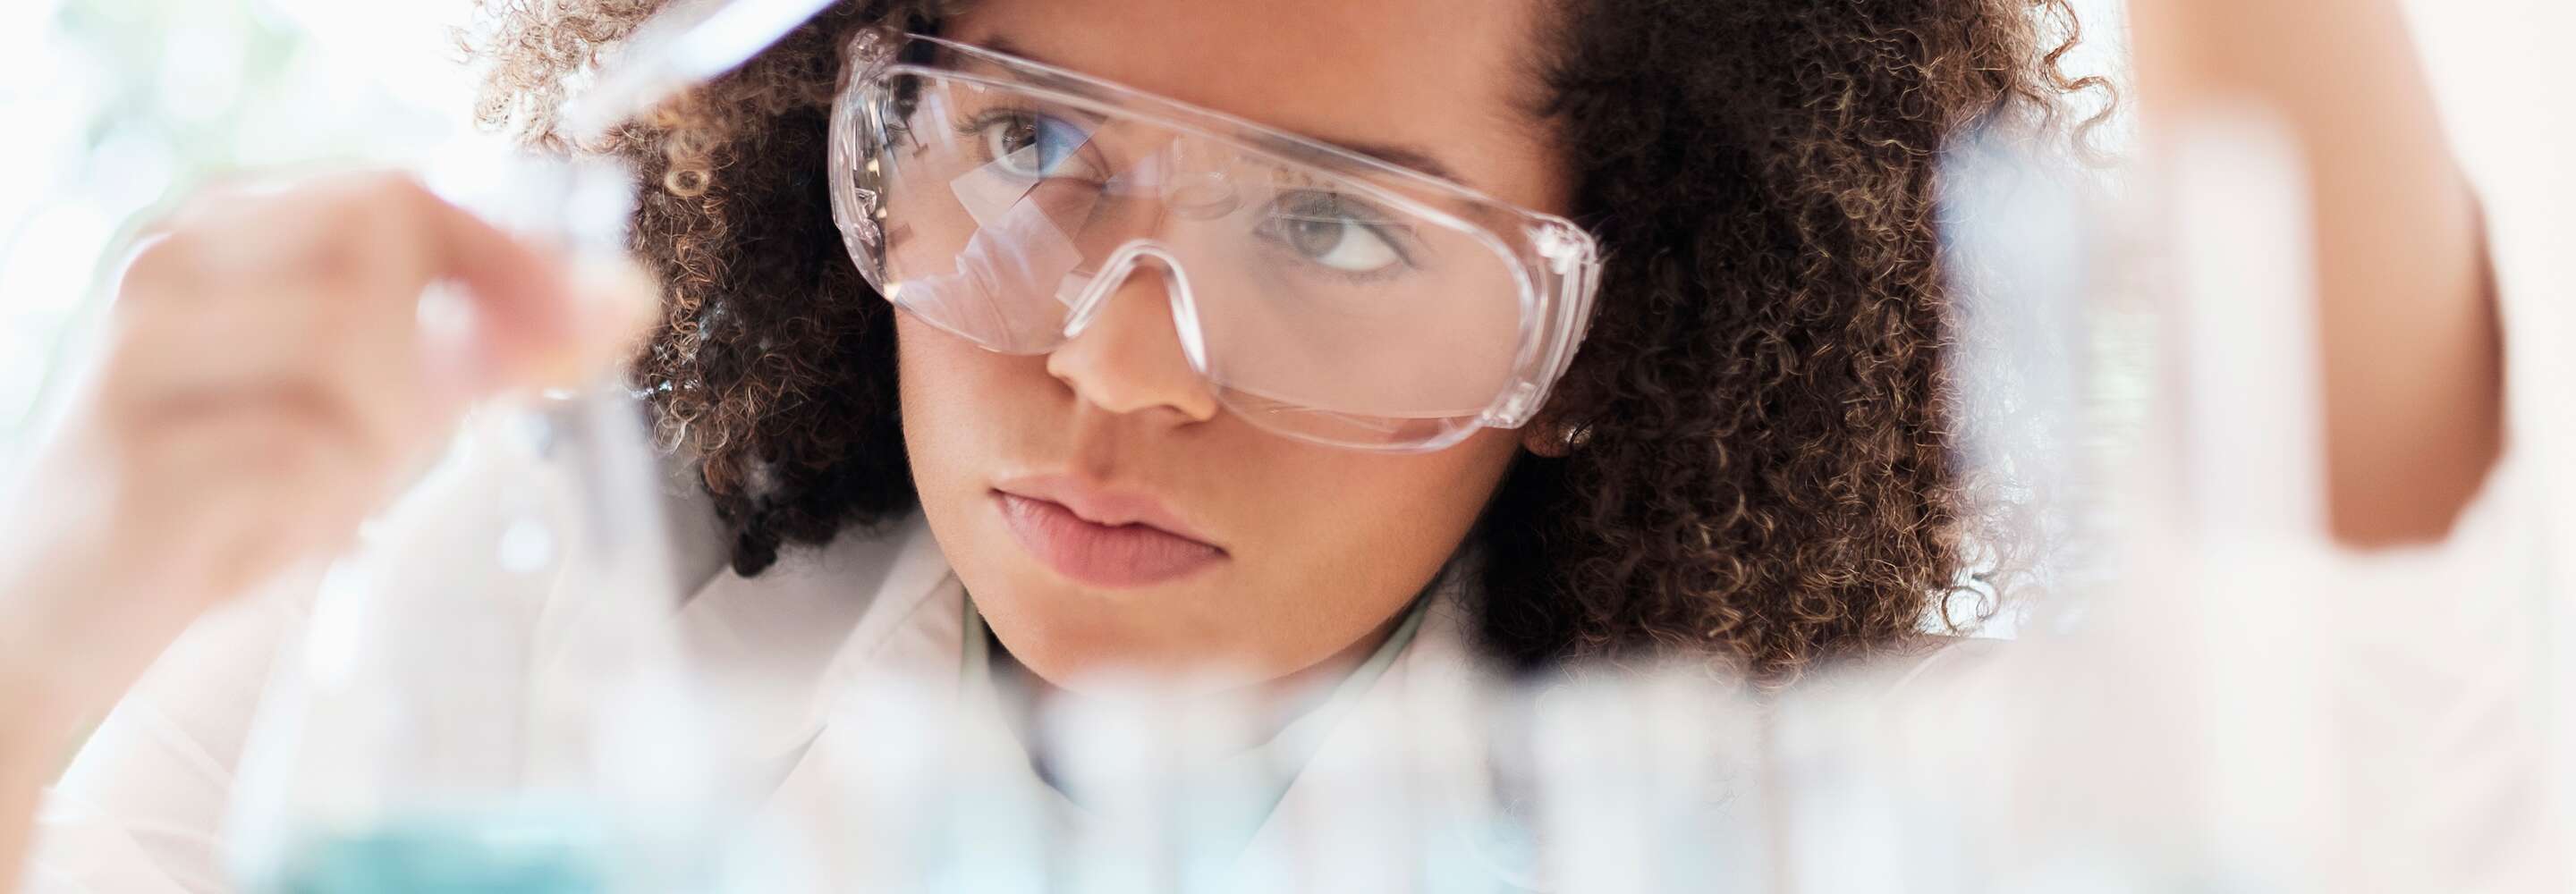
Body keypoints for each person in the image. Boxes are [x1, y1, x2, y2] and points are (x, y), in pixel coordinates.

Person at [0, 0, 2522, 890]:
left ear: (1627, 332)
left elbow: (2386, 642)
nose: (1117, 369)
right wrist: (61, 600)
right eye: (1021, 147)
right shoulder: (505, 624)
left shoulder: (1826, 813)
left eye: (1332, 238)